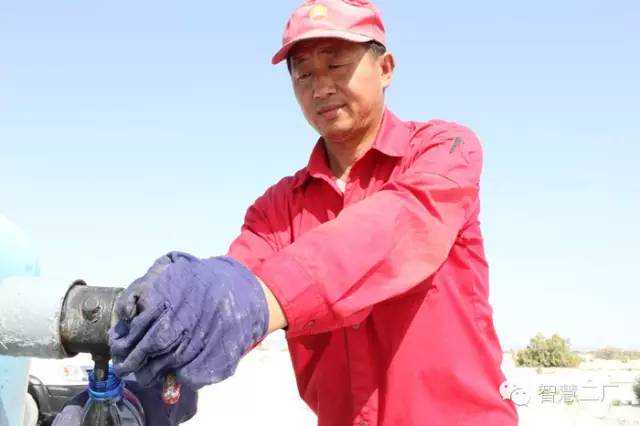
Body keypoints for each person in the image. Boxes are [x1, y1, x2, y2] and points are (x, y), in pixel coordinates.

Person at [57, 1, 519, 425]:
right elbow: (227, 304)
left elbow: (397, 228)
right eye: (304, 74)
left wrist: (260, 296)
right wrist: (137, 389)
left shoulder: (444, 150)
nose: (321, 87)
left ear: (385, 68)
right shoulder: (277, 208)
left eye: (336, 64)